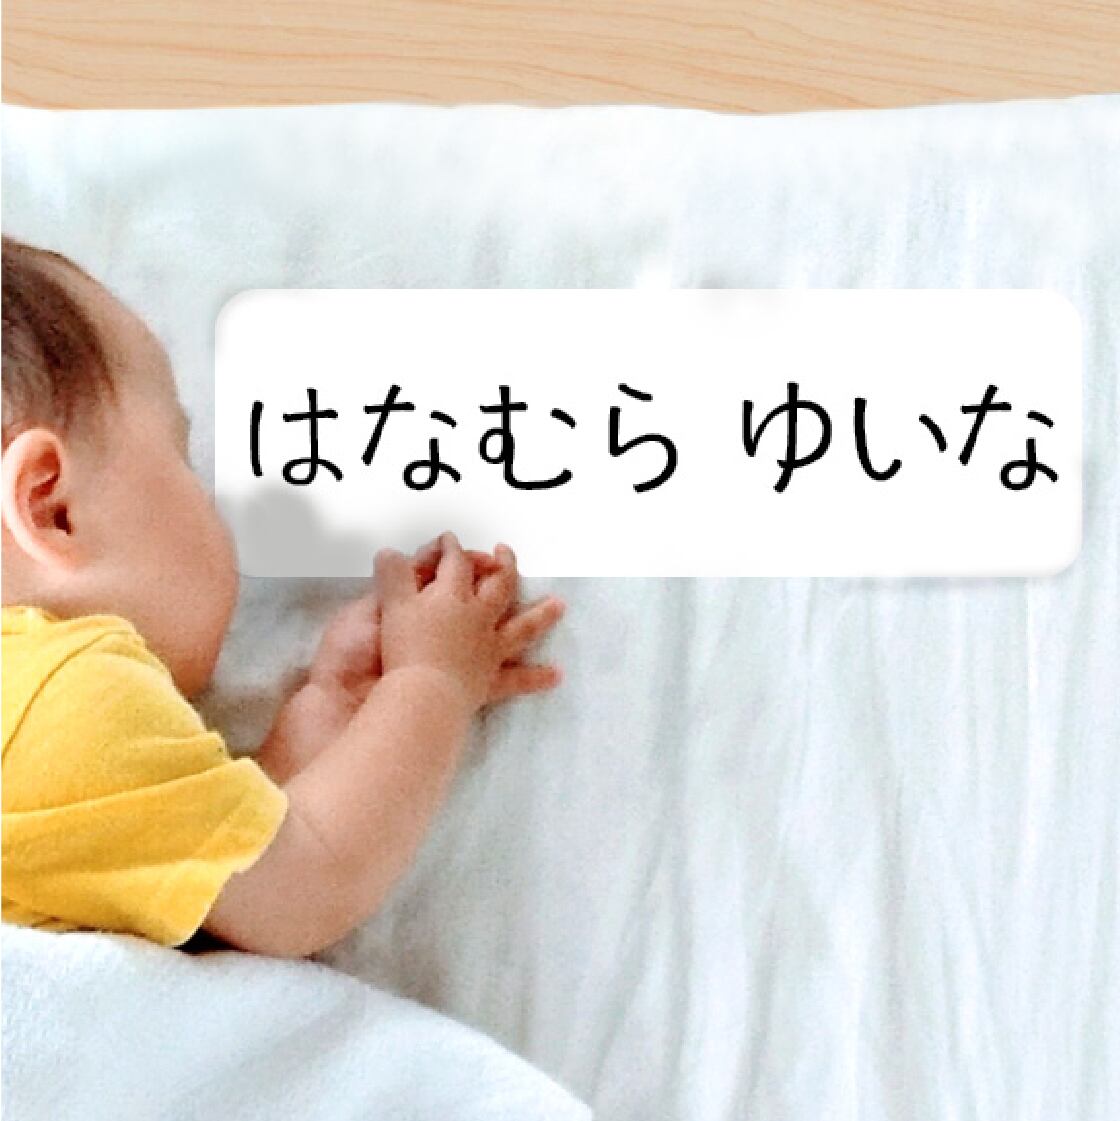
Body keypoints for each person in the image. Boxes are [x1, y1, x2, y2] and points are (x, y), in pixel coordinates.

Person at [1, 234, 564, 958]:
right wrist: (432, 681)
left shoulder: (44, 742)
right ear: (53, 507)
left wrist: (327, 707)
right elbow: (304, 883)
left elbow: (219, 884)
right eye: (180, 457)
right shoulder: (58, 700)